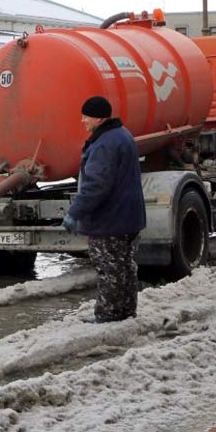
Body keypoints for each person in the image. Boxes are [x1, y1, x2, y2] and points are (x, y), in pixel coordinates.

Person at [62, 96, 146, 323]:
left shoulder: (104, 144)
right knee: (125, 267)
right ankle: (126, 311)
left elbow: (95, 185)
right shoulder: (122, 135)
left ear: (98, 118)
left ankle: (107, 315)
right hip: (128, 216)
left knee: (109, 269)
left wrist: (74, 212)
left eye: (86, 116)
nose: (83, 121)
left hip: (110, 219)